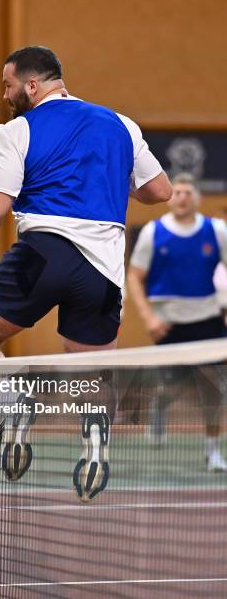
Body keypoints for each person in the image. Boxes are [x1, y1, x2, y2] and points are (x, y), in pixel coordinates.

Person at [0, 46, 172, 500]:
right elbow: (160, 190)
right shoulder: (121, 124)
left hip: (43, 254)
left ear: (32, 86)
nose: (4, 93)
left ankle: (14, 405)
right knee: (90, 371)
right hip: (102, 270)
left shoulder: (15, 130)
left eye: (9, 84)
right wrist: (110, 183)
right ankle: (95, 440)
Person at [127, 172, 227, 471]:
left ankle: (213, 453)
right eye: (178, 192)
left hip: (208, 320)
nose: (182, 197)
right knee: (171, 386)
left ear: (197, 198)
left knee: (216, 388)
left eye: (188, 192)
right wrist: (148, 317)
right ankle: (159, 406)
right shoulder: (153, 232)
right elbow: (135, 276)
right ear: (171, 197)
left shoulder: (217, 230)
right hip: (168, 324)